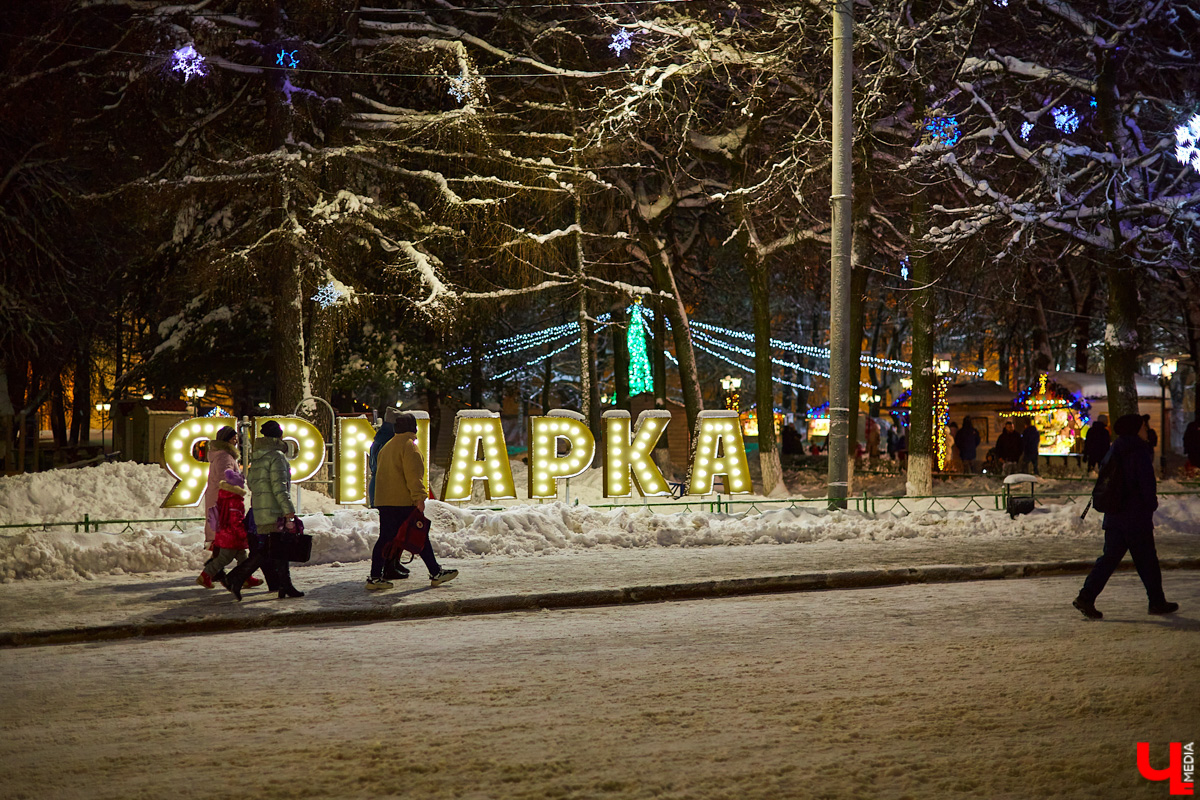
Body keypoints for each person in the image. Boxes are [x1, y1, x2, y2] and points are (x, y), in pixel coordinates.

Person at [1073, 414, 1179, 619]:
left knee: (1109, 559)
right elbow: (1145, 484)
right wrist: (1151, 505)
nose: (1146, 430)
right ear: (1135, 430)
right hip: (1135, 516)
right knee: (1147, 560)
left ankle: (1086, 596)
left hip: (1115, 515)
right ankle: (1157, 602)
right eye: (1143, 427)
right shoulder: (1139, 452)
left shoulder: (1115, 449)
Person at [367, 412, 457, 590]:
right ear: (413, 427)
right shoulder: (410, 447)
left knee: (386, 539)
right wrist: (420, 498)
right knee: (419, 536)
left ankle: (375, 577)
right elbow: (414, 477)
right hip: (402, 502)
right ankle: (435, 572)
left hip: (385, 501)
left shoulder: (387, 446)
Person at [225, 420, 304, 600]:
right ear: (280, 436)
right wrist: (289, 512)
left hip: (260, 509)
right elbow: (280, 488)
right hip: (274, 511)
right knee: (269, 550)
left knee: (277, 548)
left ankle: (285, 585)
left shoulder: (258, 457)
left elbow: (252, 483)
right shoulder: (277, 457)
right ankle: (236, 577)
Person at [198, 427, 261, 590]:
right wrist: (237, 492)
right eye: (233, 438)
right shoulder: (225, 457)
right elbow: (226, 479)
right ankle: (211, 573)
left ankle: (240, 575)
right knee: (226, 543)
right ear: (226, 439)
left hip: (221, 501)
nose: (236, 441)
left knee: (230, 544)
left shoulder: (220, 455)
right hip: (224, 503)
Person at [368, 409, 409, 581]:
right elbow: (383, 467)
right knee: (391, 532)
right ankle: (388, 566)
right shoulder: (388, 440)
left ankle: (391, 563)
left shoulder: (381, 438)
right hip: (388, 489)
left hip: (382, 489)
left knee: (393, 531)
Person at [197, 469, 251, 589]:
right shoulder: (235, 501)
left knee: (243, 557)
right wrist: (244, 535)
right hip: (232, 537)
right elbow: (236, 522)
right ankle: (205, 575)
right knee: (223, 559)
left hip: (225, 534)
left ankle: (247, 577)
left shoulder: (224, 497)